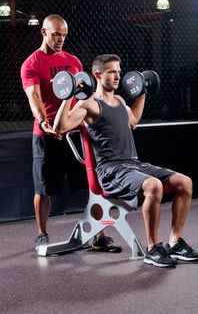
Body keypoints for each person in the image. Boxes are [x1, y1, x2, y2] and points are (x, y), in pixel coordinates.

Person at [53, 53, 198, 267]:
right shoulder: (88, 104)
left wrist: (141, 93)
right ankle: (153, 248)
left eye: (119, 72)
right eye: (112, 72)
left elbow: (133, 120)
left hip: (133, 164)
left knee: (184, 183)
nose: (117, 77)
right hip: (110, 170)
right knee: (153, 186)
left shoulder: (120, 101)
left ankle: (175, 243)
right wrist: (69, 94)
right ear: (97, 74)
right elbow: (61, 127)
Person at [20, 16, 122, 253]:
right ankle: (42, 234)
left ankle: (99, 234)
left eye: (64, 35)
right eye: (56, 34)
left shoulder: (73, 62)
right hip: (46, 135)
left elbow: (85, 96)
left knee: (91, 185)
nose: (60, 39)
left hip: (76, 133)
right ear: (43, 32)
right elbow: (34, 97)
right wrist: (43, 121)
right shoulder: (31, 64)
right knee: (43, 189)